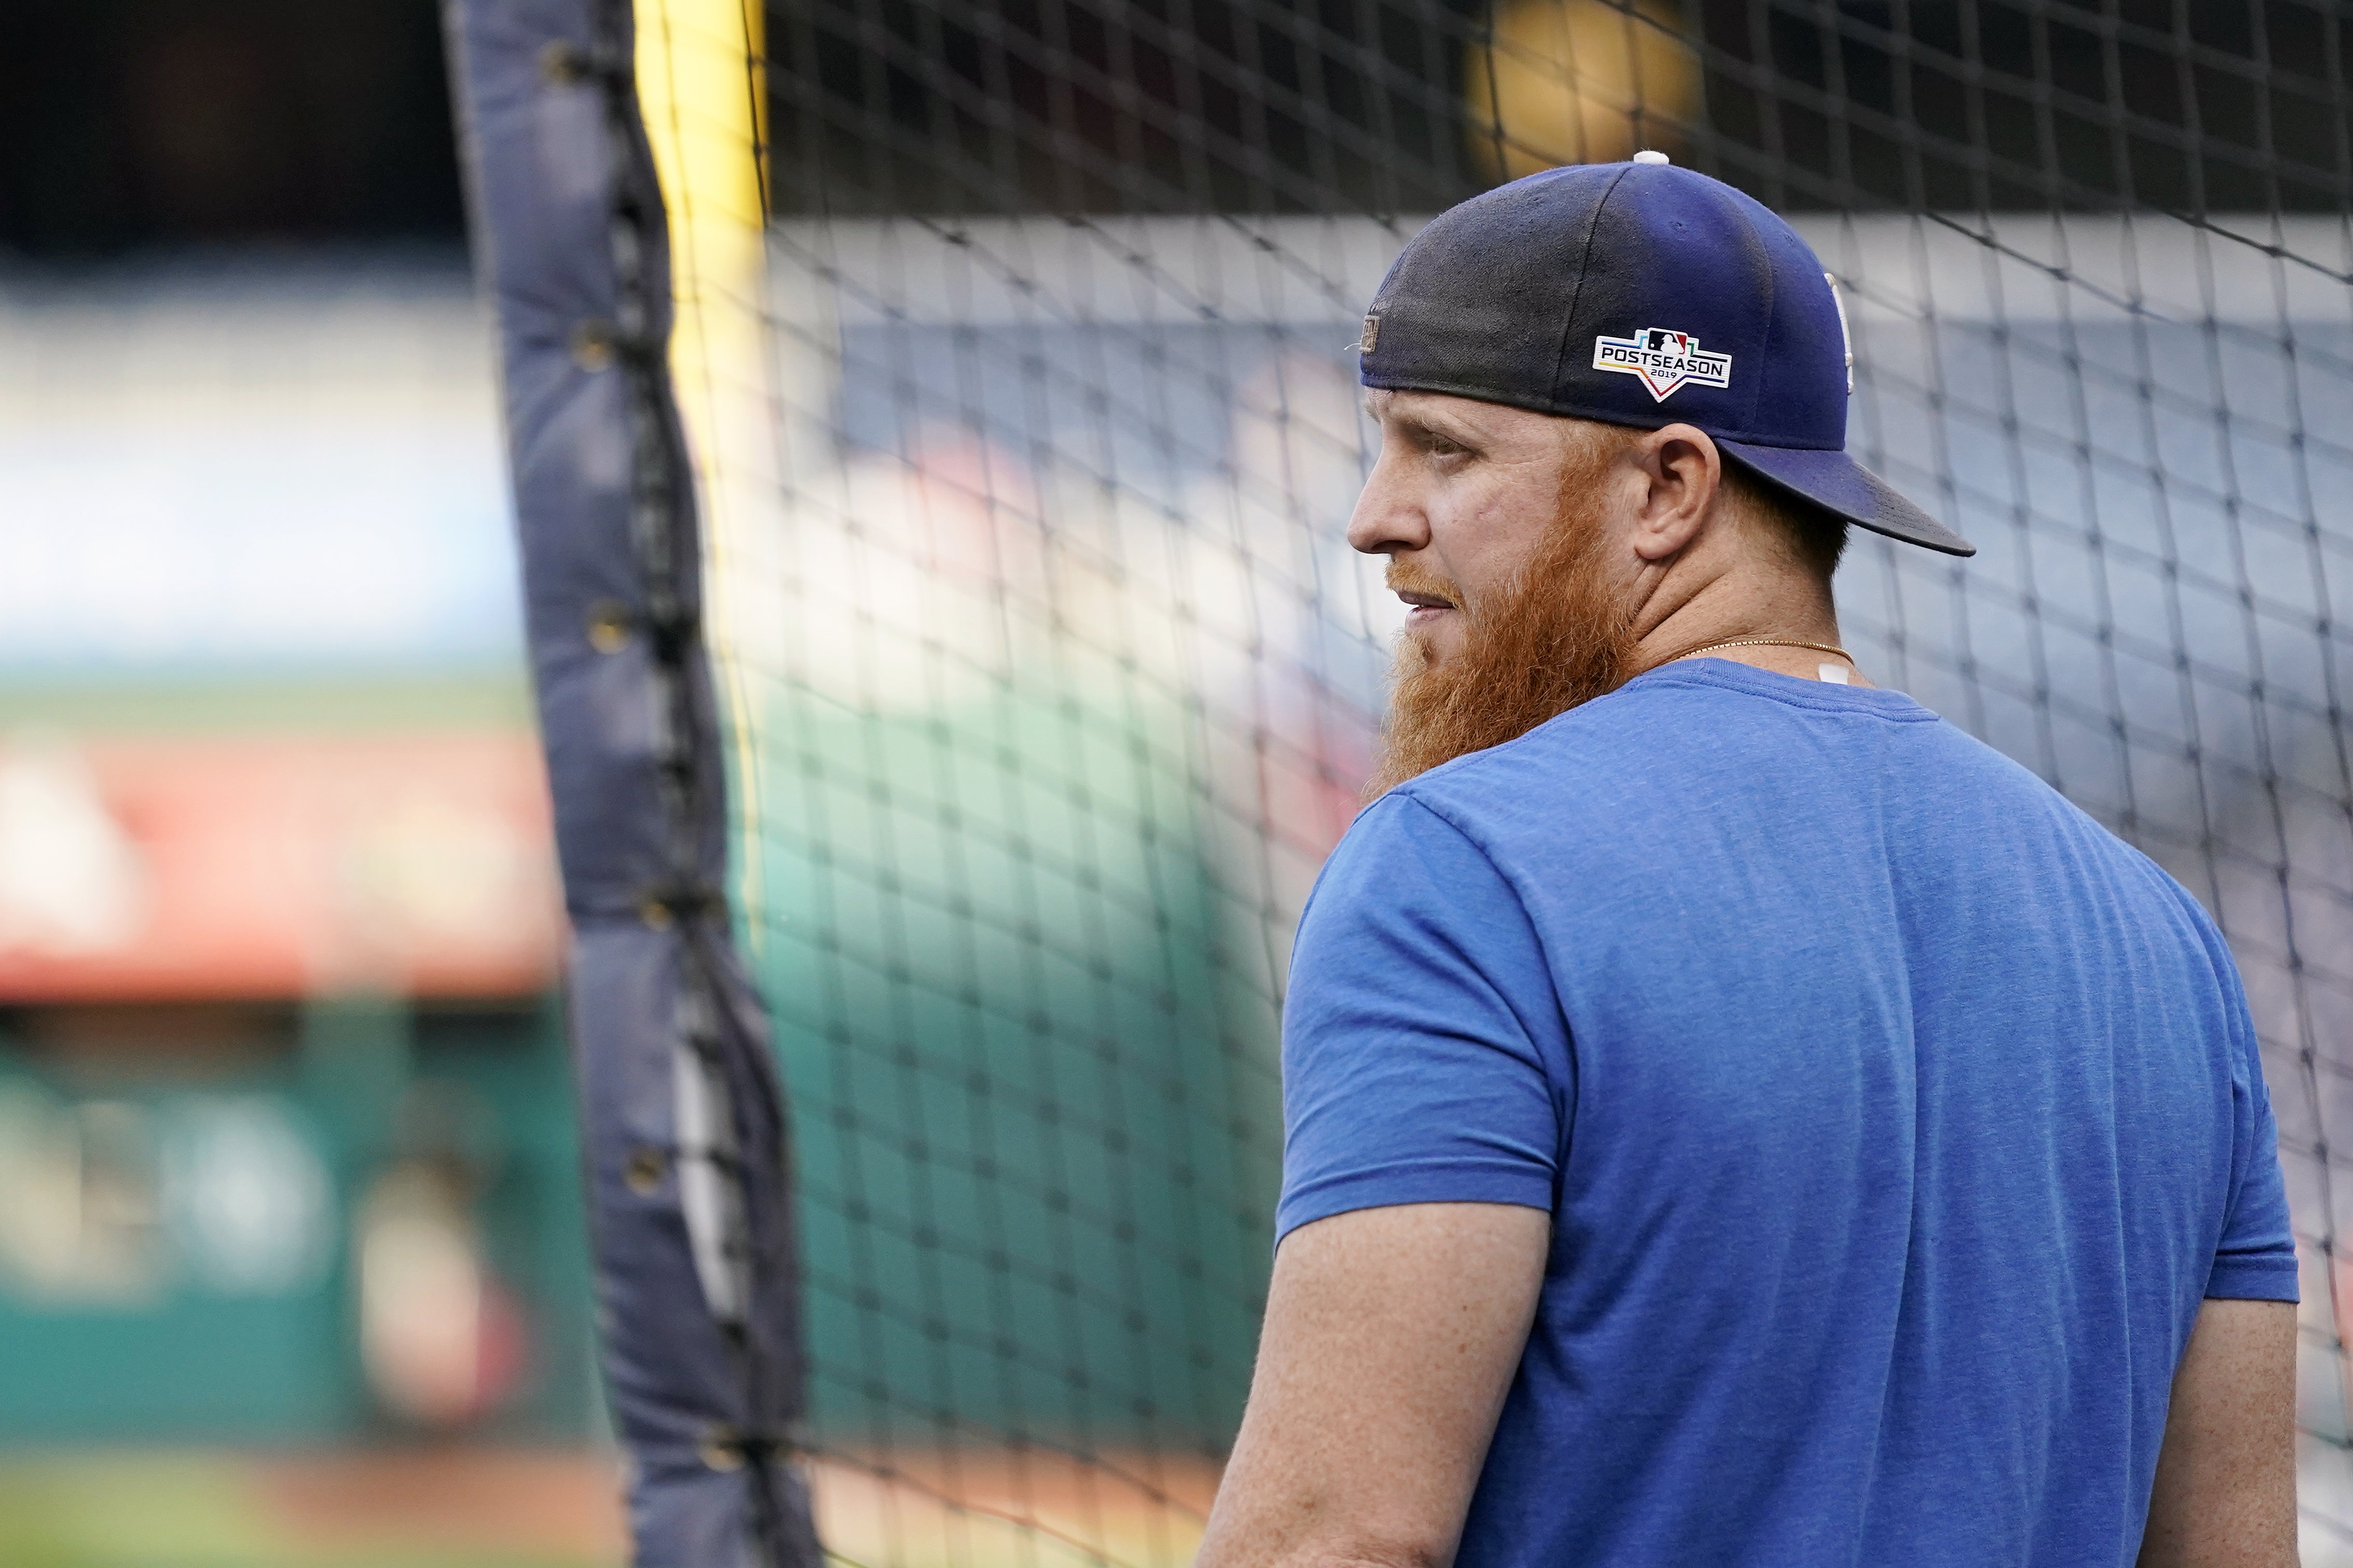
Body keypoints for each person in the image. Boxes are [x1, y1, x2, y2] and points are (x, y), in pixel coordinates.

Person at [1195, 156, 2299, 1568]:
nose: (1373, 516)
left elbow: (1330, 1540)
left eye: (1443, 448)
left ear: (1668, 488)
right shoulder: (2162, 939)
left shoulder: (1461, 876)